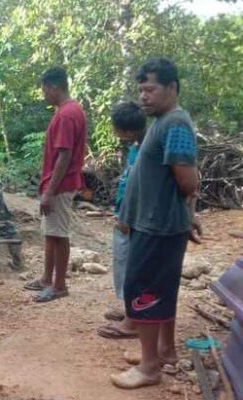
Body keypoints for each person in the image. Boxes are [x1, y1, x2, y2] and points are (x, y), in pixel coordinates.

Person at [111, 58, 201, 389]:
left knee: (144, 290)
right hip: (158, 223)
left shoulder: (175, 124)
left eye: (151, 89)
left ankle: (149, 367)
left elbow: (187, 182)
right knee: (160, 289)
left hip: (158, 226)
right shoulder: (165, 121)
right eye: (141, 90)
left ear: (172, 88)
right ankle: (164, 350)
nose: (144, 96)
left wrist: (182, 212)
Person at [24, 66, 87, 302]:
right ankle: (46, 278)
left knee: (59, 234)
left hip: (60, 184)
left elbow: (64, 155)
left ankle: (59, 285)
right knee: (50, 233)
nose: (43, 95)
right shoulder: (71, 110)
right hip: (58, 183)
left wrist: (49, 191)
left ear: (53, 87)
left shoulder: (66, 115)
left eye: (44, 89)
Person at [96, 101, 146, 340]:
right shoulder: (137, 147)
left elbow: (137, 188)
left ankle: (134, 320)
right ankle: (130, 310)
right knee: (123, 262)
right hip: (127, 214)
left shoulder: (145, 150)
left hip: (133, 218)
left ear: (126, 130)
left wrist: (126, 216)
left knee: (130, 266)